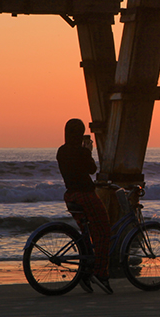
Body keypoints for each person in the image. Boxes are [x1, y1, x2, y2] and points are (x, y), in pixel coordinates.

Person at [56, 118, 112, 294]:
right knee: (103, 232)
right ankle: (101, 273)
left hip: (71, 195)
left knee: (87, 234)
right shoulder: (80, 152)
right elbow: (91, 169)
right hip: (85, 195)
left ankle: (86, 271)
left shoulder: (62, 151)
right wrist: (87, 151)